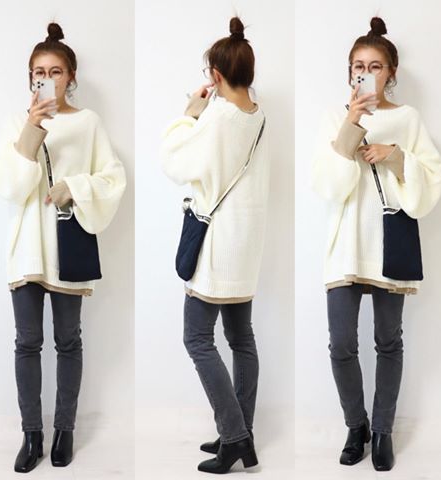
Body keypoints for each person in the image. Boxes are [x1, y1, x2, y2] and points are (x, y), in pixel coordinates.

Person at [0, 23, 126, 473]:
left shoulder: (88, 123)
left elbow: (113, 178)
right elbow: (10, 187)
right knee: (27, 342)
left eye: (55, 71)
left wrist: (75, 187)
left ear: (71, 77)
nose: (47, 79)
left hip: (69, 245)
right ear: (30, 78)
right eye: (39, 72)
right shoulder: (18, 123)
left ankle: (65, 429)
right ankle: (32, 434)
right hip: (28, 247)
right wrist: (33, 128)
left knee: (68, 341)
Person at [312, 17, 441, 471]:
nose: (365, 73)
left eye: (375, 66)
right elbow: (328, 185)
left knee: (388, 341)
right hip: (346, 244)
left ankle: (384, 429)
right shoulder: (336, 117)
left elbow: (432, 179)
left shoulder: (408, 119)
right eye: (358, 66)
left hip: (389, 243)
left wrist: (396, 156)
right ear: (349, 72)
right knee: (341, 344)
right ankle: (357, 427)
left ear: (391, 72)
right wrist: (352, 124)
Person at [161, 17, 269, 474]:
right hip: (246, 244)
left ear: (216, 75)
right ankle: (241, 430)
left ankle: (235, 436)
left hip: (218, 244)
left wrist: (190, 112)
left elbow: (174, 161)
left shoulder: (218, 117)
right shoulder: (258, 114)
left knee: (197, 337)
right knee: (241, 337)